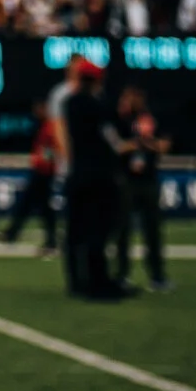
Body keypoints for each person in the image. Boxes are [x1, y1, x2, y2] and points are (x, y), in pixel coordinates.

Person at [59, 61, 125, 300]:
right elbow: (112, 140)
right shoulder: (100, 106)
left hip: (78, 174)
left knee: (75, 232)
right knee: (98, 231)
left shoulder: (70, 103)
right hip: (100, 177)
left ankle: (78, 282)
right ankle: (98, 282)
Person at [112, 86, 170, 292]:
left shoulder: (153, 118)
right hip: (126, 180)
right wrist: (138, 143)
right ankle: (121, 274)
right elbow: (117, 146)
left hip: (148, 180)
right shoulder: (120, 120)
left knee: (152, 230)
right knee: (123, 230)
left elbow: (164, 145)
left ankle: (157, 275)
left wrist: (145, 143)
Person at [1, 101, 61, 254]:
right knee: (35, 205)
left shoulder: (50, 126)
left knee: (36, 205)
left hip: (44, 171)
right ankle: (13, 232)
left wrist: (46, 162)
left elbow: (53, 148)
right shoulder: (45, 125)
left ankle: (15, 233)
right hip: (42, 170)